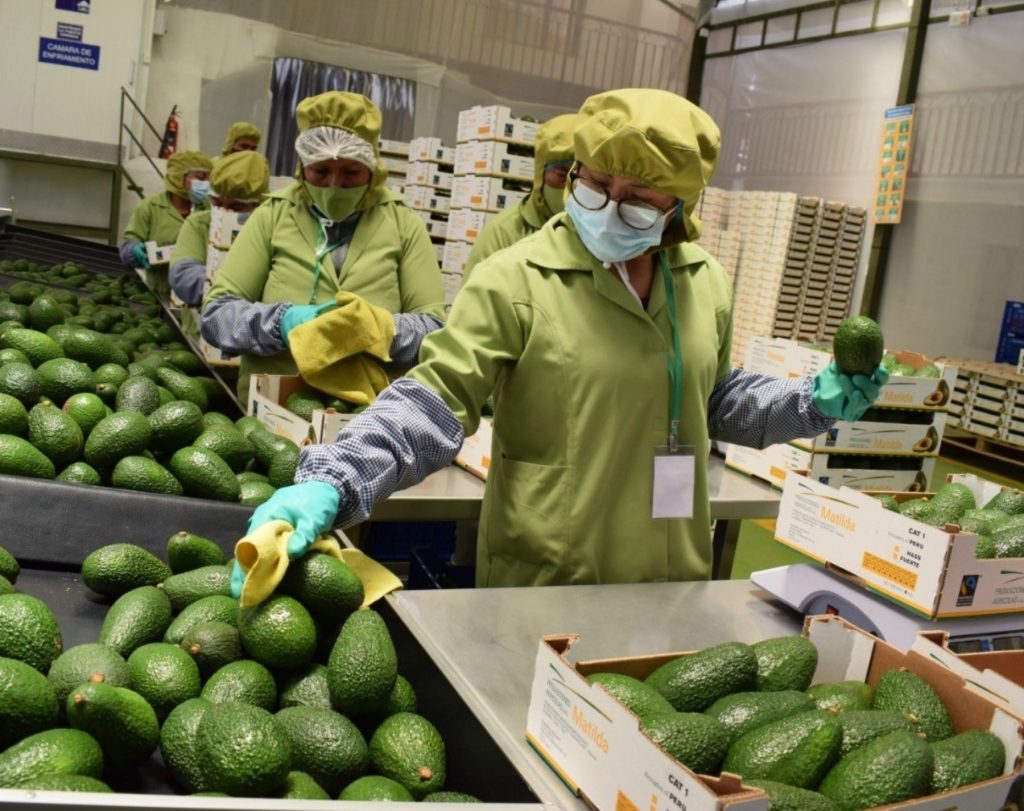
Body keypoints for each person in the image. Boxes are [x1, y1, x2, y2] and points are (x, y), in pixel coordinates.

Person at [232, 88, 888, 594]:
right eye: (596, 183)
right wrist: (336, 480)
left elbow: (710, 397)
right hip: (547, 580)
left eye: (636, 199)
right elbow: (434, 400)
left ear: (680, 209)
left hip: (671, 575)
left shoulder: (703, 281)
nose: (607, 204)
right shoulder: (516, 278)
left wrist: (811, 401)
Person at [201, 91, 445, 401]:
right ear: (303, 168)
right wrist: (281, 323)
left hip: (369, 416)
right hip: (275, 407)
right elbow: (217, 315)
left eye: (350, 173)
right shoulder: (273, 216)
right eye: (320, 172)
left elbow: (434, 330)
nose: (333, 186)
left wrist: (378, 330)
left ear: (372, 169)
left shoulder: (402, 223)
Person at [169, 150, 270, 339]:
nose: (223, 212)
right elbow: (181, 273)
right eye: (217, 203)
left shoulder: (272, 231)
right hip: (201, 336)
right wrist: (230, 289)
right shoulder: (200, 223)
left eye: (236, 208)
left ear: (259, 205)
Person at [462, 113, 576, 279]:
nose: (569, 188)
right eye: (561, 175)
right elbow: (473, 300)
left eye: (578, 177)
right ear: (539, 174)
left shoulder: (599, 237)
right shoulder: (505, 233)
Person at [119, 150, 214, 301]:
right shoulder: (149, 208)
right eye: (201, 178)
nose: (206, 185)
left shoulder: (211, 210)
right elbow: (128, 244)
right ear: (179, 177)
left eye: (209, 179)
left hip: (197, 299)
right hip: (159, 297)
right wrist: (134, 251)